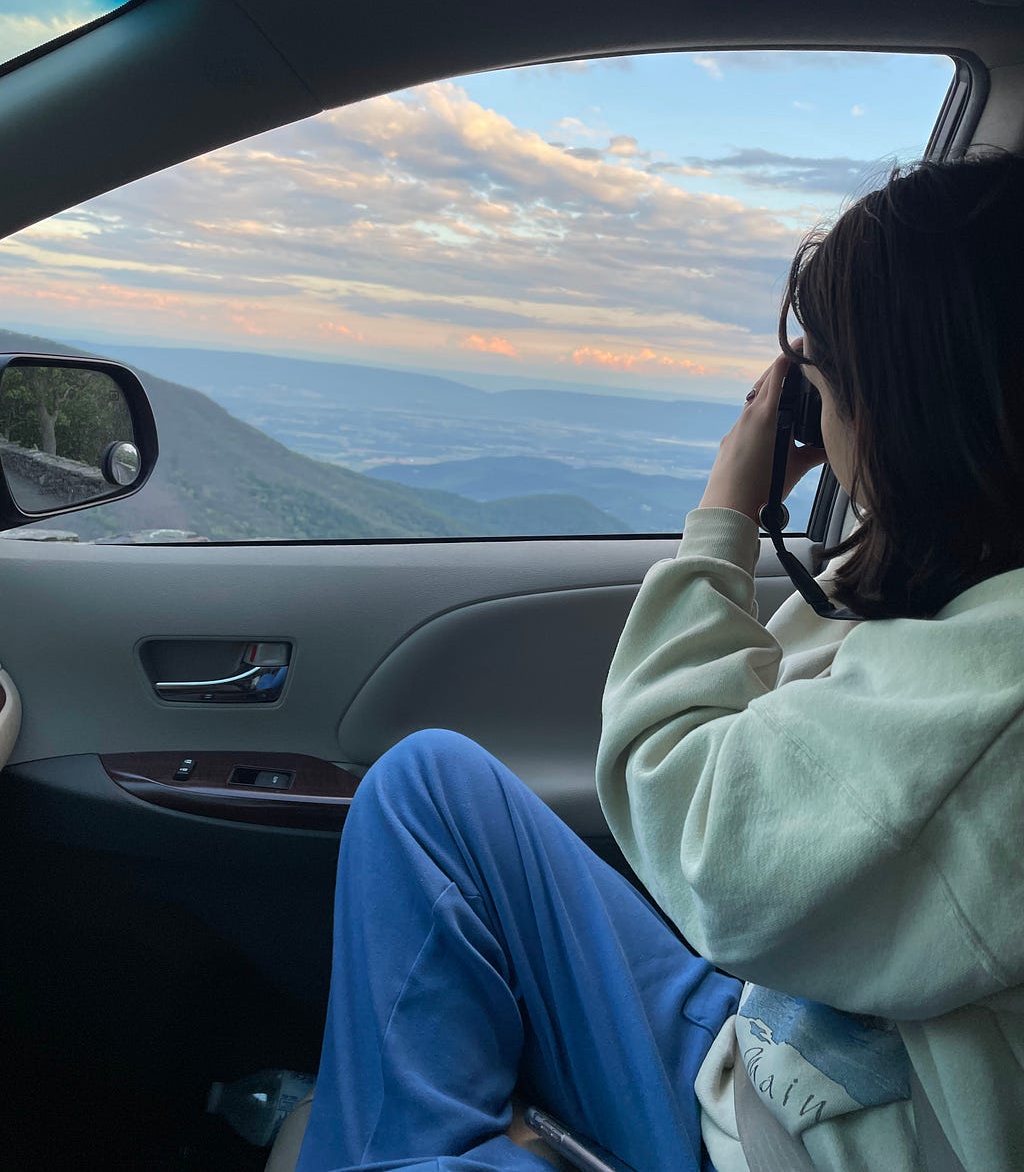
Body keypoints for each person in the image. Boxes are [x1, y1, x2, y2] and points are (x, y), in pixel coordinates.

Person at [293, 155, 1024, 1172]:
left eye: (827, 390)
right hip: (781, 1042)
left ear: (913, 409)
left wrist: (725, 512)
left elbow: (705, 834)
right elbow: (800, 719)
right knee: (427, 791)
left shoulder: (1000, 683)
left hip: (785, 1140)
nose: (818, 418)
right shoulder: (974, 598)